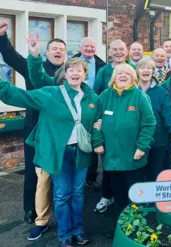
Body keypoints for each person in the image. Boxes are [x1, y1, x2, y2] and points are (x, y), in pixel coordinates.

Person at [13, 36, 98, 247]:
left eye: (79, 70)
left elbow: (100, 119)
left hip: (81, 153)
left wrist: (100, 126)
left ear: (85, 75)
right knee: (61, 195)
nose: (75, 73)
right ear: (65, 74)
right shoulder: (53, 94)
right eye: (71, 70)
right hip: (59, 153)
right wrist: (34, 55)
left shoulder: (93, 99)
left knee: (77, 194)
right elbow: (22, 93)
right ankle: (65, 235)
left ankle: (78, 231)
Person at [0, 20, 64, 234]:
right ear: (47, 52)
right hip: (35, 127)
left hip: (59, 130)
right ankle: (31, 209)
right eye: (54, 48)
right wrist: (2, 38)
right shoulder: (33, 66)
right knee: (33, 170)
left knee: (60, 170)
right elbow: (10, 57)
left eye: (62, 49)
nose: (58, 52)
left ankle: (56, 207)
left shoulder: (71, 72)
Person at [92, 64, 156, 236]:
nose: (123, 75)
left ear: (133, 78)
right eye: (119, 73)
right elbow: (95, 122)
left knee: (134, 195)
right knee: (118, 195)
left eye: (127, 73)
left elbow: (149, 123)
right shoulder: (105, 96)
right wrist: (97, 142)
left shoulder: (139, 96)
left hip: (133, 157)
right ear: (113, 77)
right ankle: (121, 227)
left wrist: (142, 147)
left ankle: (136, 227)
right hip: (111, 158)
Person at [92, 39, 132, 214]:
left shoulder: (133, 68)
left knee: (128, 165)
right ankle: (107, 195)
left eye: (121, 49)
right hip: (109, 123)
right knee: (108, 164)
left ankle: (127, 200)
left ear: (126, 51)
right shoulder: (104, 71)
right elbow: (96, 94)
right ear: (109, 52)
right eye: (114, 49)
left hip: (128, 121)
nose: (118, 52)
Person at [72, 37, 106, 192]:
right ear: (81, 47)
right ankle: (76, 175)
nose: (89, 49)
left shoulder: (101, 65)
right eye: (86, 46)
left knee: (91, 141)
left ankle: (90, 178)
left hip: (94, 106)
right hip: (75, 106)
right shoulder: (71, 63)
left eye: (92, 47)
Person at [136, 58, 171, 179]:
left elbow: (168, 112)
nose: (146, 71)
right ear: (137, 71)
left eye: (149, 68)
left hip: (158, 139)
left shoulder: (161, 92)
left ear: (153, 72)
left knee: (155, 173)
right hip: (136, 140)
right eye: (142, 68)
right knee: (137, 174)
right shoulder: (132, 91)